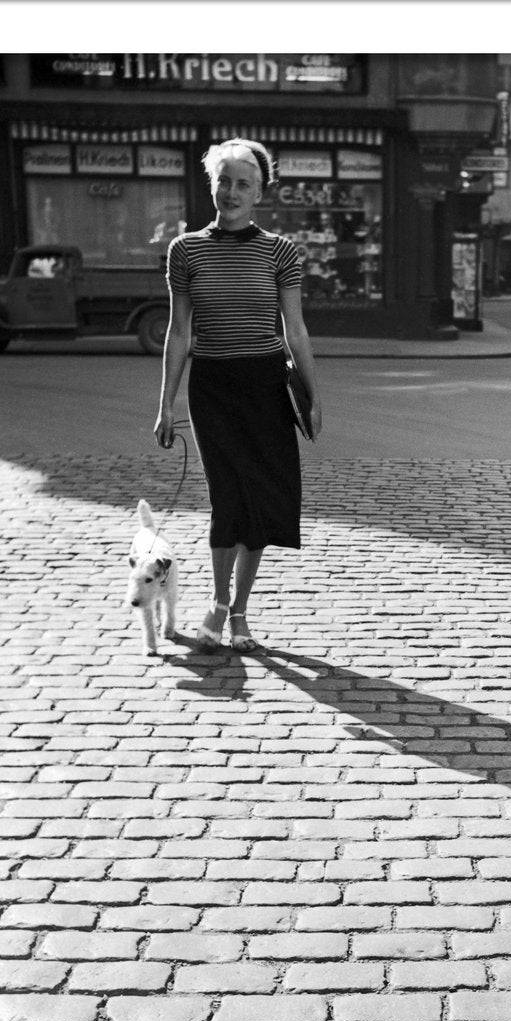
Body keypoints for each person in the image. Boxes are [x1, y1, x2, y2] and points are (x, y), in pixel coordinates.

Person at [154, 138, 322, 654]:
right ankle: (219, 602)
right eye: (223, 181)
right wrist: (166, 404)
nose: (231, 191)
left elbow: (295, 328)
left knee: (262, 501)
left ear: (259, 192)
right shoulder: (185, 250)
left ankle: (241, 612)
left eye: (242, 183)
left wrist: (313, 396)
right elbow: (179, 332)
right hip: (214, 388)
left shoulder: (280, 251)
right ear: (212, 185)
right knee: (227, 498)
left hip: (266, 385)